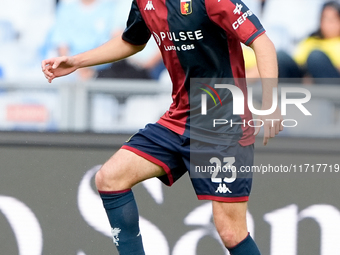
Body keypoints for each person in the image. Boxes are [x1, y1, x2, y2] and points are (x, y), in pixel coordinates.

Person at [42, 0, 283, 254]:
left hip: (223, 124)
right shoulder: (144, 2)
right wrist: (77, 62)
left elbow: (262, 42)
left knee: (231, 233)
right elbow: (132, 41)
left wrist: (270, 102)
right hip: (178, 119)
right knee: (110, 178)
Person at [277, 1, 340, 84]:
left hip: (333, 80)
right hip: (306, 78)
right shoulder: (310, 41)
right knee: (281, 56)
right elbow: (298, 63)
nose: (329, 24)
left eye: (332, 20)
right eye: (325, 19)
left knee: (315, 57)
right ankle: (285, 93)